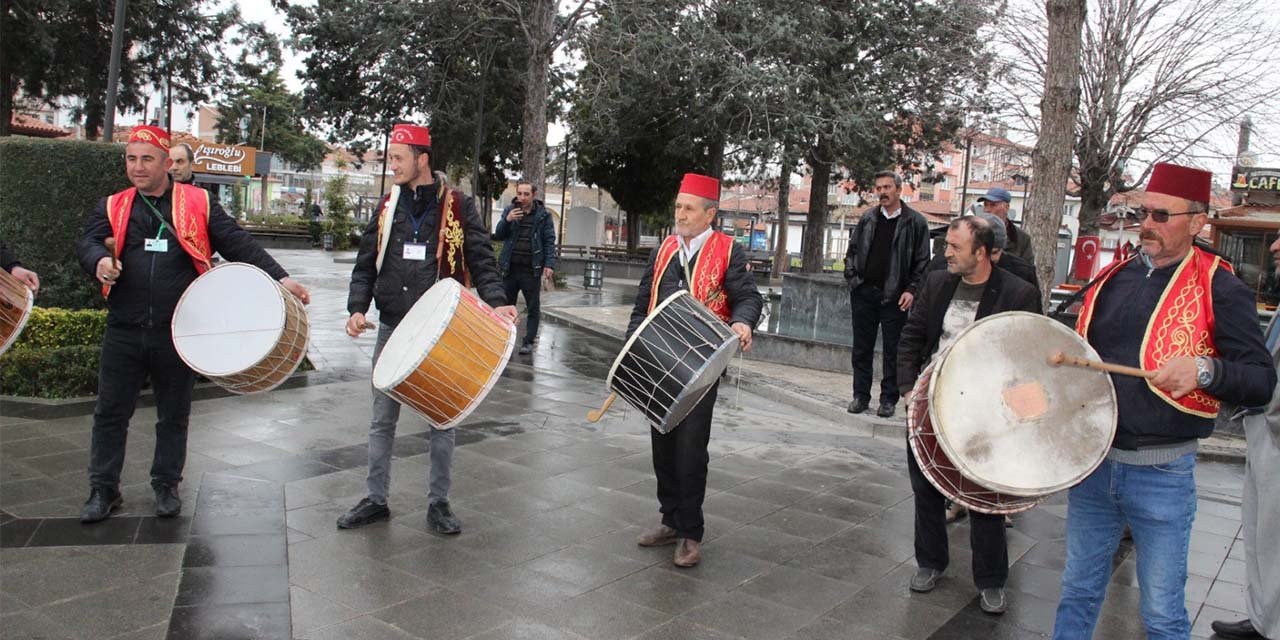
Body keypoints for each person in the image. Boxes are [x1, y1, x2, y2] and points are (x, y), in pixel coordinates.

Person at [1052, 163, 1275, 640]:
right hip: (1094, 464)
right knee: (1077, 592)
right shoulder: (1113, 277)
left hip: (1162, 474)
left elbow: (1261, 382)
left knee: (1161, 612)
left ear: (1197, 222)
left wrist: (1204, 370)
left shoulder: (1221, 287)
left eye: (1161, 215)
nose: (1147, 225)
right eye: (1143, 213)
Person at [76, 125, 310, 523]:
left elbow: (236, 242)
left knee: (174, 414)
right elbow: (89, 241)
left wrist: (281, 278)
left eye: (146, 159)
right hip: (124, 328)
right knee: (110, 413)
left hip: (180, 331)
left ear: (166, 162)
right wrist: (98, 260)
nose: (137, 167)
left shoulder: (198, 202)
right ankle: (103, 489)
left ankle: (166, 485)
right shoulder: (114, 205)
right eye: (131, 159)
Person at [339, 123, 516, 535]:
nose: (392, 165)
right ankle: (375, 499)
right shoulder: (387, 206)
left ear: (422, 159)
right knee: (382, 420)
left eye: (398, 158)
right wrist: (356, 308)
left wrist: (497, 301)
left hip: (441, 332)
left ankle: (439, 503)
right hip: (392, 326)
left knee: (442, 418)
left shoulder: (457, 205)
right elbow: (365, 263)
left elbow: (480, 258)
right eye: (390, 157)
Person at [897, 216, 1040, 615]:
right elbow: (911, 338)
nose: (946, 253)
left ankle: (991, 581)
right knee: (926, 488)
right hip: (930, 405)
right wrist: (908, 391)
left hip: (985, 415)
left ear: (982, 252)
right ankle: (930, 563)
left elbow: (1028, 356)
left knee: (983, 498)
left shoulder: (1018, 293)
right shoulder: (937, 283)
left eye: (955, 247)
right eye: (946, 245)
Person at [629, 172, 762, 567]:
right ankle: (670, 519)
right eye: (678, 206)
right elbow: (642, 304)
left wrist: (743, 322)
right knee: (662, 445)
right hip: (659, 362)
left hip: (701, 366)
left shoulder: (729, 250)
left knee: (690, 450)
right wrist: (632, 350)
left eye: (688, 208)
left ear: (710, 214)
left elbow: (748, 297)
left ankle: (690, 532)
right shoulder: (664, 250)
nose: (680, 214)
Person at [1209, 235, 1280, 640]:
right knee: (1259, 533)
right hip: (1263, 426)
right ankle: (1261, 618)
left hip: (1275, 431)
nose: (1274, 247)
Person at [843, 171, 930, 418]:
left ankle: (888, 399)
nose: (882, 192)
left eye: (887, 187)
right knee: (861, 348)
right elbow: (852, 251)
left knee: (893, 351)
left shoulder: (915, 222)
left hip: (895, 297)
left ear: (899, 190)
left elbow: (923, 262)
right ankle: (860, 396)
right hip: (864, 293)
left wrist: (911, 290)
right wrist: (853, 280)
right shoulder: (868, 218)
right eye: (879, 188)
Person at [494, 181, 556, 355]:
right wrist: (507, 220)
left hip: (531, 269)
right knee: (507, 306)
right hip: (510, 268)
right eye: (519, 193)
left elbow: (549, 241)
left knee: (533, 307)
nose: (522, 197)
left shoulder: (543, 215)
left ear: (533, 195)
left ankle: (528, 342)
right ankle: (504, 340)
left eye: (526, 194)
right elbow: (499, 234)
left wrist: (549, 264)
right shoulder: (510, 210)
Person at [976, 187, 1035, 265]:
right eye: (985, 205)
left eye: (993, 205)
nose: (987, 210)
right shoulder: (974, 231)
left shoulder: (1021, 238)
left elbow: (1027, 269)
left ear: (1006, 207)